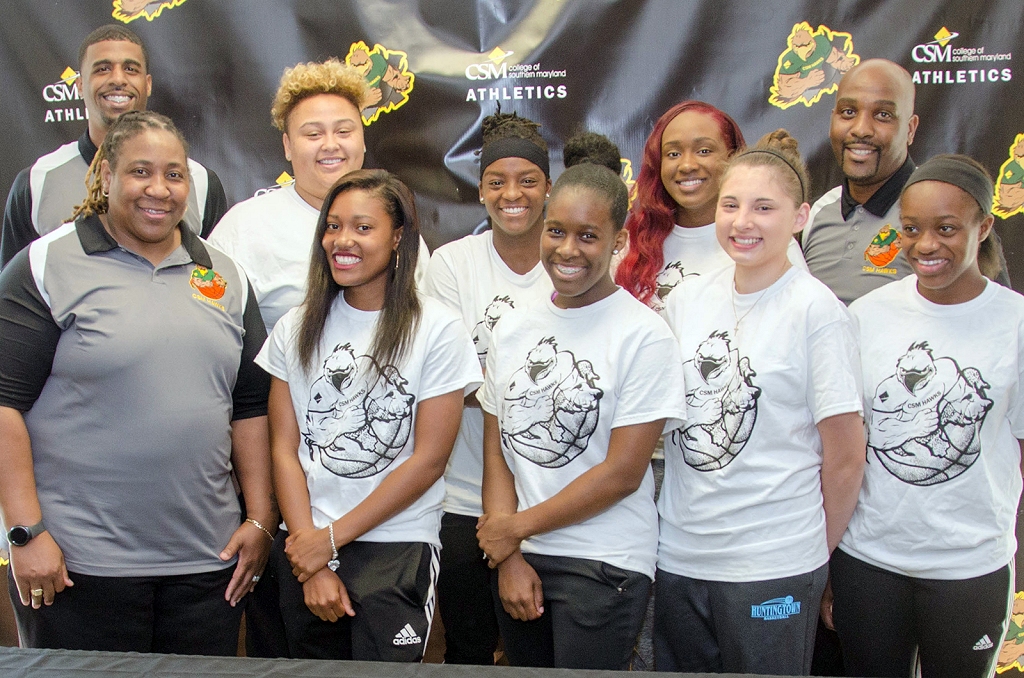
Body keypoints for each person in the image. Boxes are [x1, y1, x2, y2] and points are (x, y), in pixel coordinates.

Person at [0, 110, 273, 655]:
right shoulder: (46, 265)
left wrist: (262, 520)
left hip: (207, 565)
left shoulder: (226, 274)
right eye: (140, 172)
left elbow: (249, 408)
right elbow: (4, 406)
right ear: (105, 176)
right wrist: (25, 534)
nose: (160, 189)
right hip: (77, 567)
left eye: (174, 175)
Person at [655, 130, 865, 675]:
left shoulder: (815, 311)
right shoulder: (686, 300)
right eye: (731, 205)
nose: (742, 221)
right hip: (680, 555)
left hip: (773, 562)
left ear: (798, 218)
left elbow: (845, 457)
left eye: (763, 208)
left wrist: (810, 553)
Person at [256, 169, 480, 661]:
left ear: (398, 237)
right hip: (306, 547)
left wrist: (331, 540)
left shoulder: (437, 330)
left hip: (396, 545)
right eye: (333, 227)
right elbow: (284, 448)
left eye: (362, 227)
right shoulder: (297, 326)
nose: (342, 241)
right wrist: (312, 556)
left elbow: (427, 461)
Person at [476, 162, 687, 670]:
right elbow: (497, 449)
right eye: (557, 231)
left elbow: (621, 474)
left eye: (588, 236)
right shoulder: (512, 328)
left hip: (604, 563)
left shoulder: (644, 335)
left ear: (619, 240)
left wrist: (514, 529)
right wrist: (509, 553)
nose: (568, 250)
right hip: (520, 555)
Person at [827, 155, 1021, 678]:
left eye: (947, 228)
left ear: (985, 227)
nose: (925, 245)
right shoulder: (868, 314)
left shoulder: (1015, 324)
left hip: (967, 567)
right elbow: (843, 445)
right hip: (868, 561)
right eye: (910, 229)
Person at [422, 110, 553, 665]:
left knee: (539, 655)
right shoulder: (452, 264)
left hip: (552, 500)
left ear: (549, 186)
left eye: (527, 180)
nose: (512, 194)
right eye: (497, 182)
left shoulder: (572, 261)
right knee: (469, 650)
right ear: (480, 191)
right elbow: (452, 378)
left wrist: (490, 380)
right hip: (464, 497)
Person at [208, 58, 430, 336]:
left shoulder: (396, 226)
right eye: (313, 134)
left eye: (343, 131)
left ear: (362, 139)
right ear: (288, 146)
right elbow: (211, 332)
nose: (330, 145)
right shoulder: (244, 227)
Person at [1, 24, 227, 268]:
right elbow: (16, 297)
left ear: (148, 83)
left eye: (130, 69)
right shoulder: (37, 182)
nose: (118, 79)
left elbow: (215, 282)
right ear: (78, 85)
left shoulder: (200, 182)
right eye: (102, 69)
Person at [614, 100, 805, 314]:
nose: (687, 165)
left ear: (732, 157)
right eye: (673, 154)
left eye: (704, 151)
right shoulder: (635, 243)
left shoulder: (767, 241)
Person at [802, 59, 919, 304]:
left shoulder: (940, 211)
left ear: (910, 129)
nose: (861, 129)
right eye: (848, 113)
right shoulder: (818, 211)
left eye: (883, 115)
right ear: (832, 119)